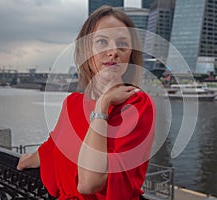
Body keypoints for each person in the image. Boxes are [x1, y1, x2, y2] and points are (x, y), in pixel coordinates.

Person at [17, 5, 155, 200]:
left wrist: (102, 106)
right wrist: (27, 161)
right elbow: (54, 146)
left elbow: (89, 183)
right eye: (101, 42)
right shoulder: (72, 103)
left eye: (122, 43)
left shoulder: (137, 106)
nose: (114, 51)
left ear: (130, 55)